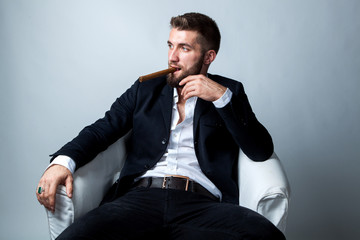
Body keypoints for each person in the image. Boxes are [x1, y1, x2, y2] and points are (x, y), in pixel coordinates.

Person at [36, 12, 285, 240]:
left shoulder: (229, 92)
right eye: (170, 45)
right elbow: (102, 129)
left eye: (184, 48)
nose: (172, 57)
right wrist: (62, 162)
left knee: (267, 236)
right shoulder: (145, 89)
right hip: (138, 199)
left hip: (204, 205)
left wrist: (223, 99)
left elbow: (260, 150)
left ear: (209, 56)